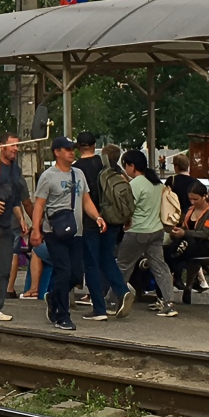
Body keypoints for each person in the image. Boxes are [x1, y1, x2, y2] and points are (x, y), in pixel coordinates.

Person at [30, 136, 107, 332]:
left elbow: (86, 200)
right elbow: (39, 205)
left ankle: (53, 296)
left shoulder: (79, 174)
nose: (72, 152)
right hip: (54, 232)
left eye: (72, 149)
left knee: (74, 275)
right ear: (57, 152)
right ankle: (62, 316)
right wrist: (36, 230)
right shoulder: (48, 176)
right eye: (67, 149)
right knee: (63, 271)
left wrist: (97, 217)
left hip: (76, 232)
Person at [74, 132, 133, 321]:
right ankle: (122, 291)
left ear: (78, 147)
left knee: (90, 264)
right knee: (107, 258)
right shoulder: (107, 164)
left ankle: (99, 308)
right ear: (94, 145)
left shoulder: (76, 169)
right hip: (112, 219)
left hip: (89, 221)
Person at [115, 150, 180, 318]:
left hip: (137, 231)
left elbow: (128, 208)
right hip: (156, 231)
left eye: (125, 166)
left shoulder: (136, 184)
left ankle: (114, 299)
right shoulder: (157, 184)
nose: (125, 170)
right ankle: (169, 303)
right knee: (160, 267)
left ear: (132, 166)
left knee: (123, 265)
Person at [0, 133, 30, 323]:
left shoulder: (15, 171)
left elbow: (14, 199)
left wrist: (21, 219)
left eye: (17, 146)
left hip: (5, 225)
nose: (16, 149)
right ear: (1, 146)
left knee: (3, 267)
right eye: (12, 146)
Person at [164, 181, 209, 302]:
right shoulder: (191, 210)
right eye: (190, 199)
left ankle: (173, 273)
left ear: (205, 196)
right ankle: (176, 277)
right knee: (173, 249)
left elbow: (205, 233)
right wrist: (178, 231)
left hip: (206, 245)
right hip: (189, 243)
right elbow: (185, 228)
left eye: (196, 199)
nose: (192, 202)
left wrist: (185, 233)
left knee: (177, 253)